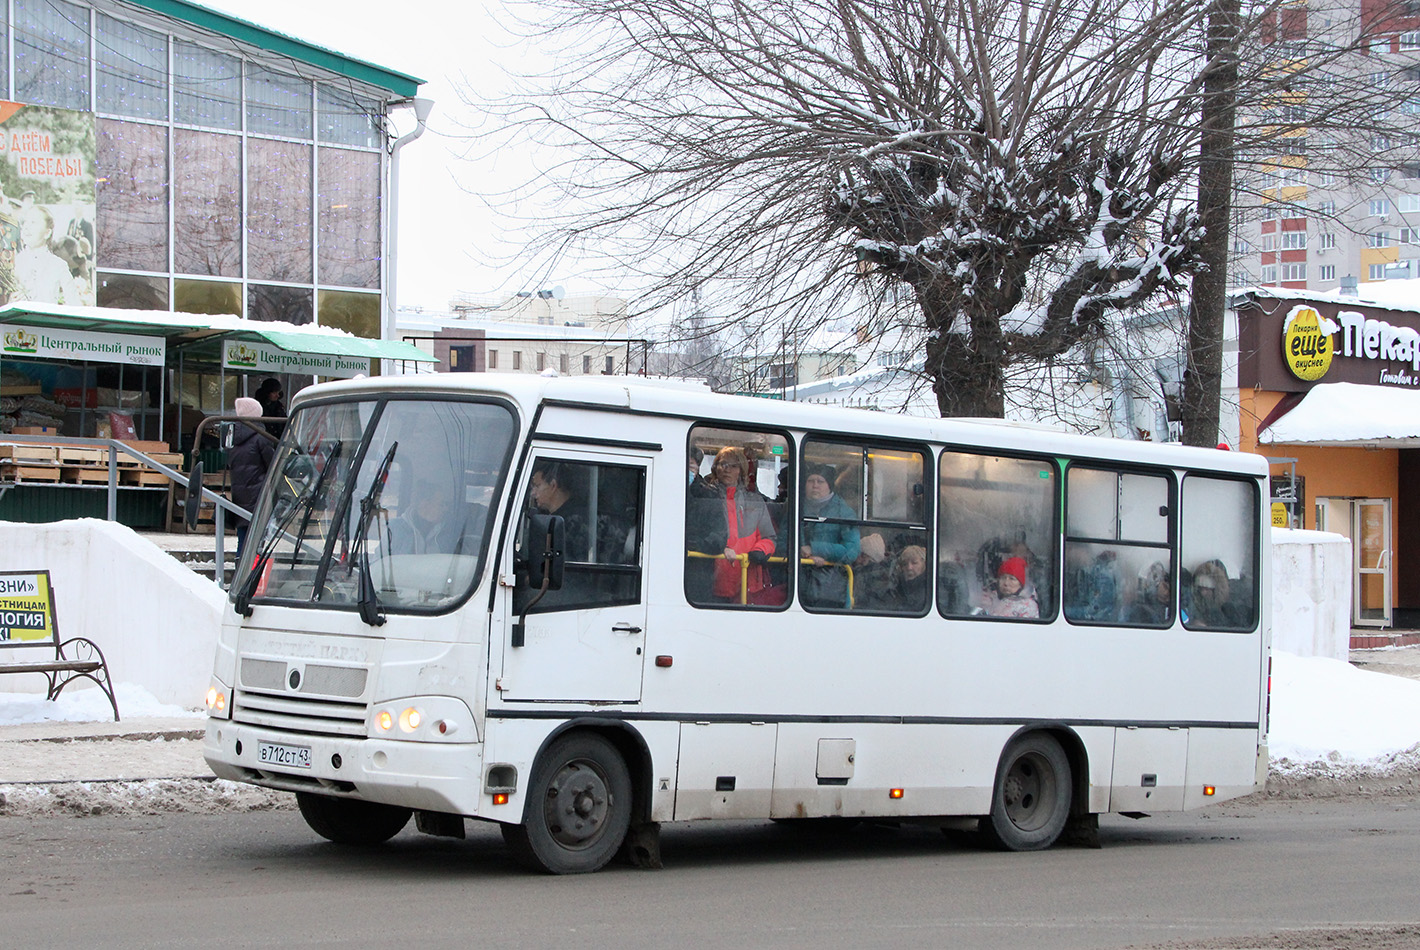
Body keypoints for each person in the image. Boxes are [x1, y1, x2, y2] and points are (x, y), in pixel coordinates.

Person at [706, 446, 779, 605]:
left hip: (747, 578)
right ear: (716, 467)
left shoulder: (755, 502)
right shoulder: (706, 497)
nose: (727, 470)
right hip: (712, 578)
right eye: (723, 464)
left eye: (733, 466)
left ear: (741, 470)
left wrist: (760, 551)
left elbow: (769, 537)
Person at [799, 464, 860, 608]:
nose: (815, 485)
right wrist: (805, 556)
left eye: (820, 481)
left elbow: (852, 550)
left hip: (832, 590)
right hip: (798, 585)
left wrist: (815, 549)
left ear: (829, 485)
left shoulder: (844, 512)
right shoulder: (795, 506)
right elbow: (782, 540)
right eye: (811, 481)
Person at [227, 397, 275, 560]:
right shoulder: (261, 438)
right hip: (259, 494)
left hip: (240, 495)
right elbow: (274, 465)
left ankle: (240, 565)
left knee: (243, 535)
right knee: (260, 538)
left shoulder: (233, 440)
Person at [685, 446, 729, 602]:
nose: (686, 470)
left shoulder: (709, 495)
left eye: (690, 466)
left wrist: (692, 545)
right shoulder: (660, 489)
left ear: (697, 467)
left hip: (698, 576)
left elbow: (719, 537)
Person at [388, 477, 468, 555]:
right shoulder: (395, 528)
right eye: (441, 504)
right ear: (425, 504)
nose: (445, 509)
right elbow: (379, 561)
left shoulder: (448, 531)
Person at [871, 544, 930, 612]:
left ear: (924, 564)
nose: (909, 568)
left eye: (914, 563)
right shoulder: (895, 587)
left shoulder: (929, 590)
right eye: (905, 564)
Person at [1187, 558, 1236, 627]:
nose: (1203, 593)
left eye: (1207, 589)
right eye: (1200, 588)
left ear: (1216, 590)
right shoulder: (1193, 604)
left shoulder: (1229, 608)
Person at [1128, 560, 1173, 625]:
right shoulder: (1141, 610)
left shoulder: (1175, 610)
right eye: (1165, 587)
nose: (1167, 592)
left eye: (1170, 590)